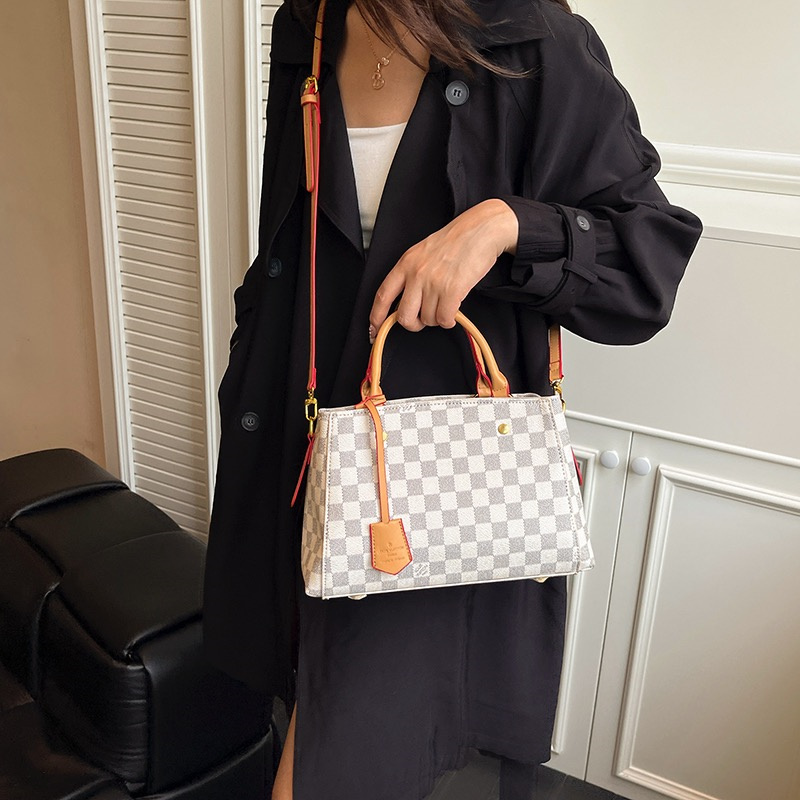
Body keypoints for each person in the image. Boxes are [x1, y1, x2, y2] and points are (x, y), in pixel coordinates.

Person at [201, 1, 703, 798]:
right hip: (302, 451)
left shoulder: (534, 37)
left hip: (433, 481)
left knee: (341, 752)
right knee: (308, 701)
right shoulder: (310, 23)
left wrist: (505, 226)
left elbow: (648, 261)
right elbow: (288, 242)